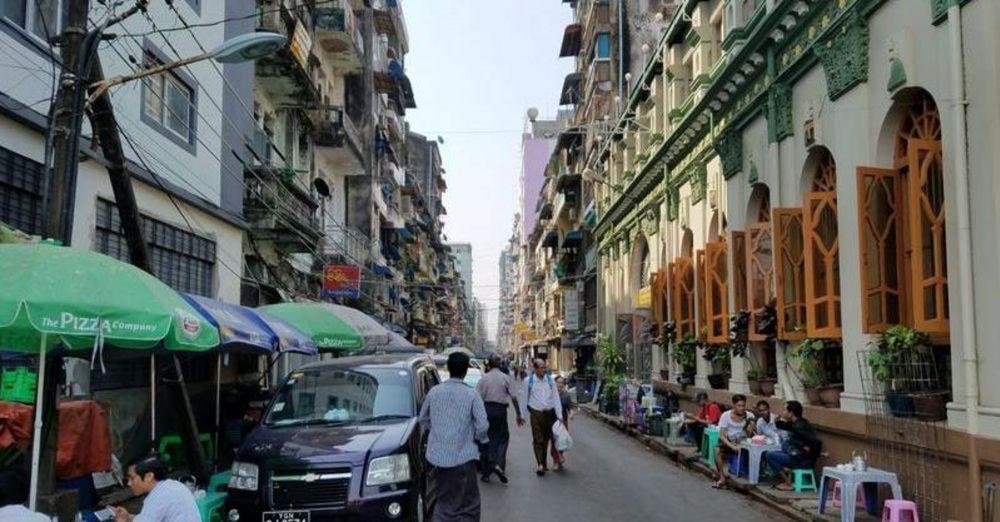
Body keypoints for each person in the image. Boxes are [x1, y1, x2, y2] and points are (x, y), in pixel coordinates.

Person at [419, 352, 490, 521]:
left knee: (442, 501)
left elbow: (423, 419)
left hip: (437, 459)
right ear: (465, 371)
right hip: (463, 459)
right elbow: (482, 426)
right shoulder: (472, 394)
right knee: (468, 504)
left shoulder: (434, 392)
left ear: (448, 368)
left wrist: (437, 431)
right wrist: (481, 440)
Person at [475, 353, 523, 484]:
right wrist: (518, 415)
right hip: (500, 411)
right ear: (500, 364)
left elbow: (477, 399)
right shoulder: (505, 378)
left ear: (488, 365)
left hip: (486, 410)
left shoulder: (483, 379)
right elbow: (514, 397)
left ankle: (486, 472)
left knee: (486, 438)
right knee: (502, 438)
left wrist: (476, 416)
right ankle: (499, 466)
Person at [113, 453, 199, 522]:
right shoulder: (173, 485)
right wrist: (129, 517)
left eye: (132, 478)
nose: (129, 483)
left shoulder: (158, 497)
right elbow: (151, 517)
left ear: (149, 476)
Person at [764, 400, 822, 491]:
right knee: (784, 445)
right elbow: (785, 426)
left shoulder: (799, 427)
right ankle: (787, 471)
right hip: (798, 456)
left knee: (769, 455)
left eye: (784, 410)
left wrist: (806, 450)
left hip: (802, 460)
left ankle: (789, 483)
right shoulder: (798, 423)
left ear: (791, 413)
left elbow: (814, 442)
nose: (783, 412)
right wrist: (777, 422)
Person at [519, 358, 563, 476]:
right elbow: (524, 398)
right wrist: (522, 415)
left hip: (549, 413)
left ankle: (543, 463)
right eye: (542, 368)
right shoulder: (528, 381)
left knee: (546, 439)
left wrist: (559, 415)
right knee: (538, 439)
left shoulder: (550, 381)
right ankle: (540, 464)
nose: (544, 370)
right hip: (536, 413)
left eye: (545, 367)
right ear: (535, 369)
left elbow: (555, 397)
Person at [713, 394, 755, 488]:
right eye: (739, 406)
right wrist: (733, 446)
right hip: (729, 443)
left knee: (737, 470)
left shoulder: (749, 415)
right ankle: (721, 477)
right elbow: (722, 435)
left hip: (743, 444)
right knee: (716, 450)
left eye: (743, 405)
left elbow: (749, 436)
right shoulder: (726, 416)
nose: (741, 408)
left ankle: (733, 465)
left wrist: (750, 425)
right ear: (734, 405)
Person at [549, 375, 576, 470]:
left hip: (563, 422)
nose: (559, 384)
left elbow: (570, 408)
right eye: (558, 382)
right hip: (552, 422)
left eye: (561, 383)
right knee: (554, 442)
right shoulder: (550, 394)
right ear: (554, 383)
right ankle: (556, 461)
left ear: (564, 384)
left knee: (562, 442)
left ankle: (560, 457)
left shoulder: (566, 395)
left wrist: (571, 414)